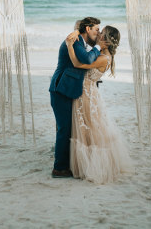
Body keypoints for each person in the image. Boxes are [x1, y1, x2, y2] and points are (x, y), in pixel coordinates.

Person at [65, 25, 133, 184]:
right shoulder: (101, 54)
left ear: (106, 39)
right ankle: (86, 163)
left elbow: (77, 64)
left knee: (88, 128)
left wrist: (69, 45)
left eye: (101, 33)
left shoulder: (103, 58)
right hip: (87, 92)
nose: (99, 33)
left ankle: (90, 166)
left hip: (86, 94)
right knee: (88, 127)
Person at [49, 17, 106, 178]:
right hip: (61, 89)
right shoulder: (74, 41)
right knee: (64, 129)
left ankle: (65, 163)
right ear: (87, 29)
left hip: (68, 89)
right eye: (96, 29)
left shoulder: (79, 42)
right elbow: (86, 59)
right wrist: (98, 47)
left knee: (68, 129)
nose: (98, 32)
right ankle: (59, 168)